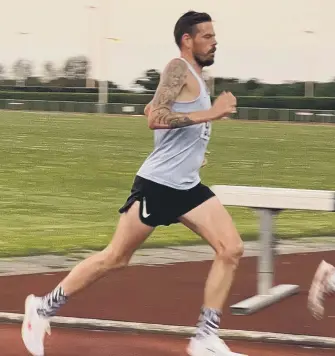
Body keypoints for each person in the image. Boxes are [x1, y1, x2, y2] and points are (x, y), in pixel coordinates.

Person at [22, 11, 246, 356]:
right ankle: (41, 308)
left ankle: (205, 337)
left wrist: (194, 148)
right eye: (207, 36)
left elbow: (151, 108)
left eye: (214, 36)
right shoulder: (178, 67)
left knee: (231, 248)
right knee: (115, 257)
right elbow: (156, 118)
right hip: (158, 185)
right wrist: (211, 114)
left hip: (187, 185)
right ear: (187, 40)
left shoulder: (198, 78)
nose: (214, 41)